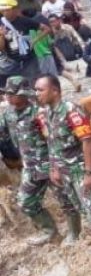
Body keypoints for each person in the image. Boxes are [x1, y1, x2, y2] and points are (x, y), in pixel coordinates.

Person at [34, 75, 91, 269]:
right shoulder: (48, 113)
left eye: (40, 90)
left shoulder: (72, 110)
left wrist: (90, 173)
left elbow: (87, 141)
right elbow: (52, 143)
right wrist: (54, 168)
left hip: (79, 168)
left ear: (55, 90)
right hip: (64, 171)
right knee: (83, 209)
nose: (37, 94)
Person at [1, 76, 78, 243]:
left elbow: (53, 139)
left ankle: (74, 233)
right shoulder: (8, 114)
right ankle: (49, 230)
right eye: (6, 93)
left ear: (22, 94)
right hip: (30, 168)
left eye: (11, 94)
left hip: (51, 164)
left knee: (66, 200)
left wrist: (56, 166)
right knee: (26, 202)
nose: (7, 97)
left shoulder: (39, 112)